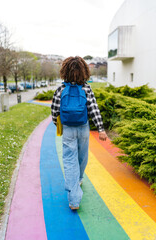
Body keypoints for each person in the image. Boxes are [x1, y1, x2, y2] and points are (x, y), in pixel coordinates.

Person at [51, 56, 107, 210]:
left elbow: (55, 112)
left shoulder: (60, 89)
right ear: (84, 71)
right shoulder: (86, 88)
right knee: (82, 158)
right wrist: (101, 129)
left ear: (65, 71)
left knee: (69, 162)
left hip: (68, 128)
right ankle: (80, 178)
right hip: (83, 128)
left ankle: (73, 200)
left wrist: (59, 126)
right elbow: (93, 109)